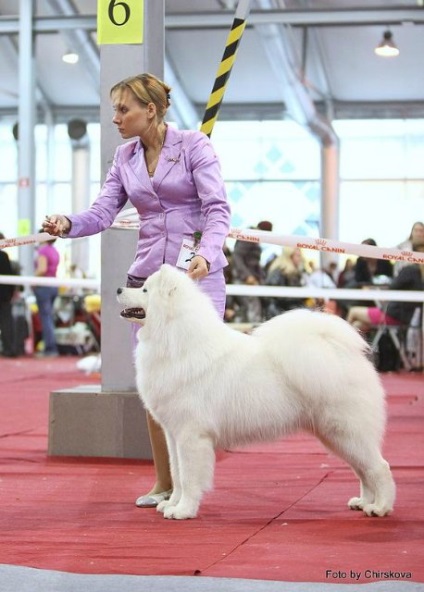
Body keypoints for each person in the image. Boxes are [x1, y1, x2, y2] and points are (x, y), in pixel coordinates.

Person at [41, 72, 231, 508]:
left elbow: (218, 207)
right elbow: (103, 212)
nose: (116, 118)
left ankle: (191, 486)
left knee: (195, 385)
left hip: (196, 279)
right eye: (114, 110)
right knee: (156, 386)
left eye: (123, 109)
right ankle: (165, 483)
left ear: (151, 109)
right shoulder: (124, 157)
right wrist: (69, 224)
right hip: (145, 283)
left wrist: (210, 252)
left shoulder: (195, 146)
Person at [347, 240, 424, 332]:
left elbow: (392, 286)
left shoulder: (410, 270)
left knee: (353, 311)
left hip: (393, 315)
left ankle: (341, 343)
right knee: (359, 324)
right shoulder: (418, 275)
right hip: (407, 317)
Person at [231, 220, 272, 322]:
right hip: (244, 279)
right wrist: (247, 276)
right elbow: (237, 256)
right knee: (253, 306)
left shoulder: (252, 237)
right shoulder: (250, 237)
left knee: (248, 307)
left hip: (249, 278)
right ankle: (253, 331)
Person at [33, 234, 60, 357]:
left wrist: (32, 280)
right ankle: (51, 346)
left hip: (44, 286)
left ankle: (50, 348)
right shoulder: (54, 251)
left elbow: (42, 269)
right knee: (49, 318)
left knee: (45, 319)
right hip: (54, 285)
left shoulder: (42, 251)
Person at [265, 246, 310, 319]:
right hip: (279, 313)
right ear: (289, 256)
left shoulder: (294, 273)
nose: (300, 258)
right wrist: (302, 295)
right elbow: (276, 296)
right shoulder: (279, 271)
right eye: (298, 255)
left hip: (288, 311)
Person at [0, 233, 17, 358]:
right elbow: (10, 275)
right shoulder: (4, 256)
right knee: (7, 322)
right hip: (5, 295)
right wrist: (11, 293)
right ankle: (9, 348)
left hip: (4, 294)